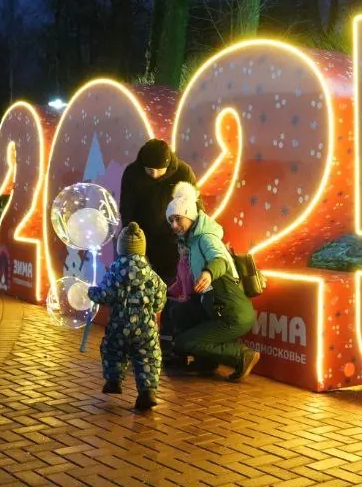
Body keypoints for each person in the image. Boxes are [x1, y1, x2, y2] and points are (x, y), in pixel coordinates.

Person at [165, 182, 260, 382]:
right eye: (171, 220)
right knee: (178, 311)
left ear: (190, 216)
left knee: (184, 342)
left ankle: (241, 355)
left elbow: (221, 260)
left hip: (231, 311)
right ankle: (205, 362)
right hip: (214, 306)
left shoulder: (206, 238)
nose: (174, 225)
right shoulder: (190, 242)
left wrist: (208, 273)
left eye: (178, 219)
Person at [118, 138, 196, 363]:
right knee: (141, 297)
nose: (153, 175)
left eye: (158, 170)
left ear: (168, 164)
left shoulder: (183, 172)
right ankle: (140, 344)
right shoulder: (132, 173)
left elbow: (194, 208)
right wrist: (133, 241)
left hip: (173, 244)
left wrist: (187, 240)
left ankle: (170, 346)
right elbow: (127, 208)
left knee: (173, 294)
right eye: (149, 170)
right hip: (142, 242)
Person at [88, 222, 167, 412]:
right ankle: (147, 392)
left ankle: (113, 380)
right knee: (148, 357)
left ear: (120, 248)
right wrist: (153, 307)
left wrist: (92, 292)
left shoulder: (114, 272)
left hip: (119, 325)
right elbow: (160, 297)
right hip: (145, 328)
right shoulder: (151, 274)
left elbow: (105, 295)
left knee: (112, 349)